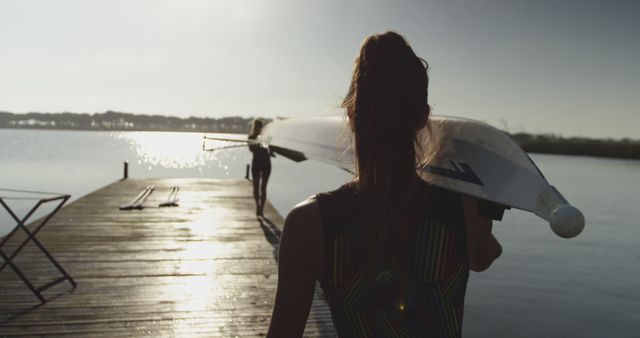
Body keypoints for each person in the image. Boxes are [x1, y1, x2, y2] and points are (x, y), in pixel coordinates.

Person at [267, 32, 502, 337]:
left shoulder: (308, 224)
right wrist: (488, 201)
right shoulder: (465, 208)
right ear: (423, 118)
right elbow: (482, 257)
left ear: (350, 115)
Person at [248, 119, 271, 217]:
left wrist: (266, 144)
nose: (258, 128)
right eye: (256, 126)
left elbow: (270, 150)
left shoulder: (267, 137)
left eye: (260, 126)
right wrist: (258, 143)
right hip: (256, 164)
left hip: (266, 164)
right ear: (254, 127)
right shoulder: (251, 137)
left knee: (263, 188)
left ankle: (261, 208)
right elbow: (252, 149)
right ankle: (257, 206)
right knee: (256, 188)